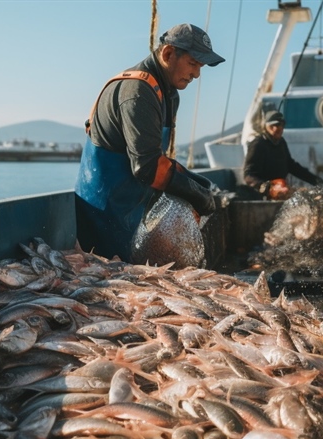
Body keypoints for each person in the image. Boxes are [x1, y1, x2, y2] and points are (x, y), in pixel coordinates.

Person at [75, 23, 224, 262]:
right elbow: (147, 167)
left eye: (200, 67)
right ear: (168, 54)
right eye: (193, 63)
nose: (197, 74)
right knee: (116, 273)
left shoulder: (169, 94)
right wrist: (197, 196)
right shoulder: (137, 92)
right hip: (102, 217)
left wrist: (197, 185)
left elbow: (159, 158)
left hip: (134, 210)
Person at [242, 111, 323, 200]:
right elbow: (248, 175)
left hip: (282, 190)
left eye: (280, 125)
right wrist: (267, 187)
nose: (276, 128)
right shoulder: (258, 144)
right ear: (265, 126)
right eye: (272, 125)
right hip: (262, 196)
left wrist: (317, 181)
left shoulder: (281, 143)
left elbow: (291, 166)